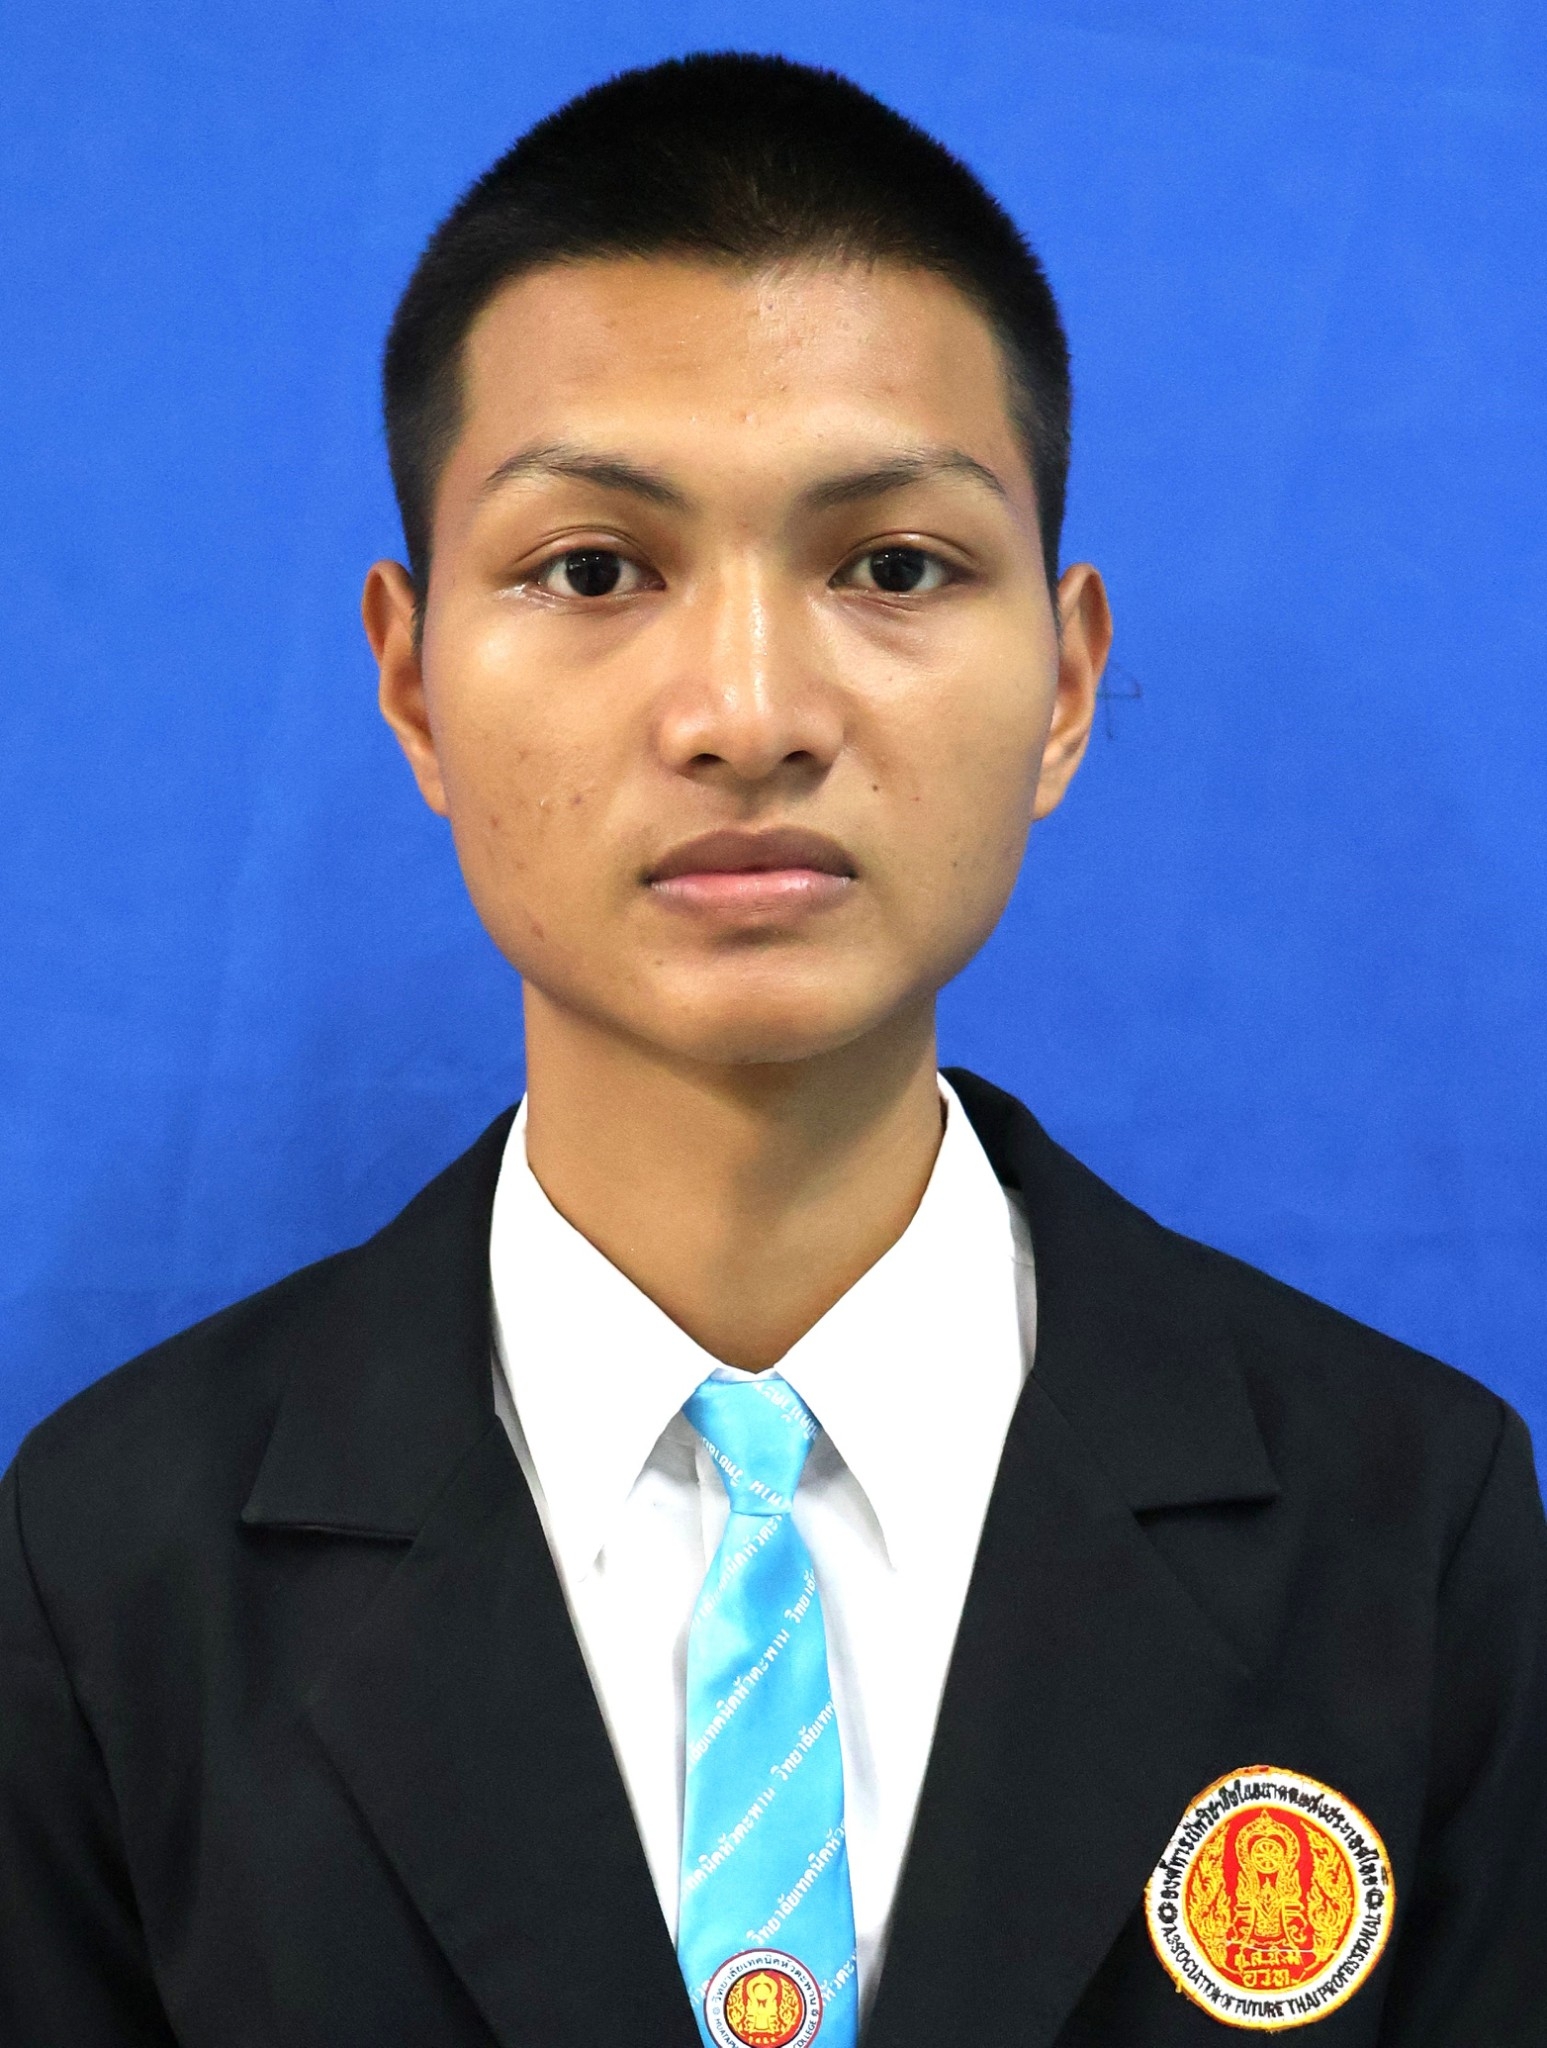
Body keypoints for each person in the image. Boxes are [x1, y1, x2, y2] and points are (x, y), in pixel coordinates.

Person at [1, 51, 1542, 2048]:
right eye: (593, 569)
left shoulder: (1411, 1531)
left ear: (1067, 683)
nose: (746, 712)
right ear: (412, 681)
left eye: (893, 566)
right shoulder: (110, 1569)